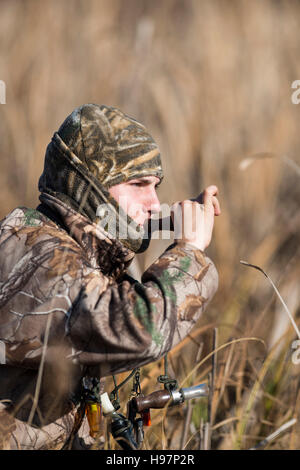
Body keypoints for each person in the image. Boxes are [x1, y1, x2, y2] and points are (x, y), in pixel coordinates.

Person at [0, 104, 220, 450]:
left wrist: (165, 225)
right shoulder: (35, 255)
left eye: (156, 186)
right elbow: (137, 331)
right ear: (89, 186)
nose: (154, 201)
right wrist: (189, 252)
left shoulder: (66, 247)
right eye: (138, 184)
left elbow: (106, 293)